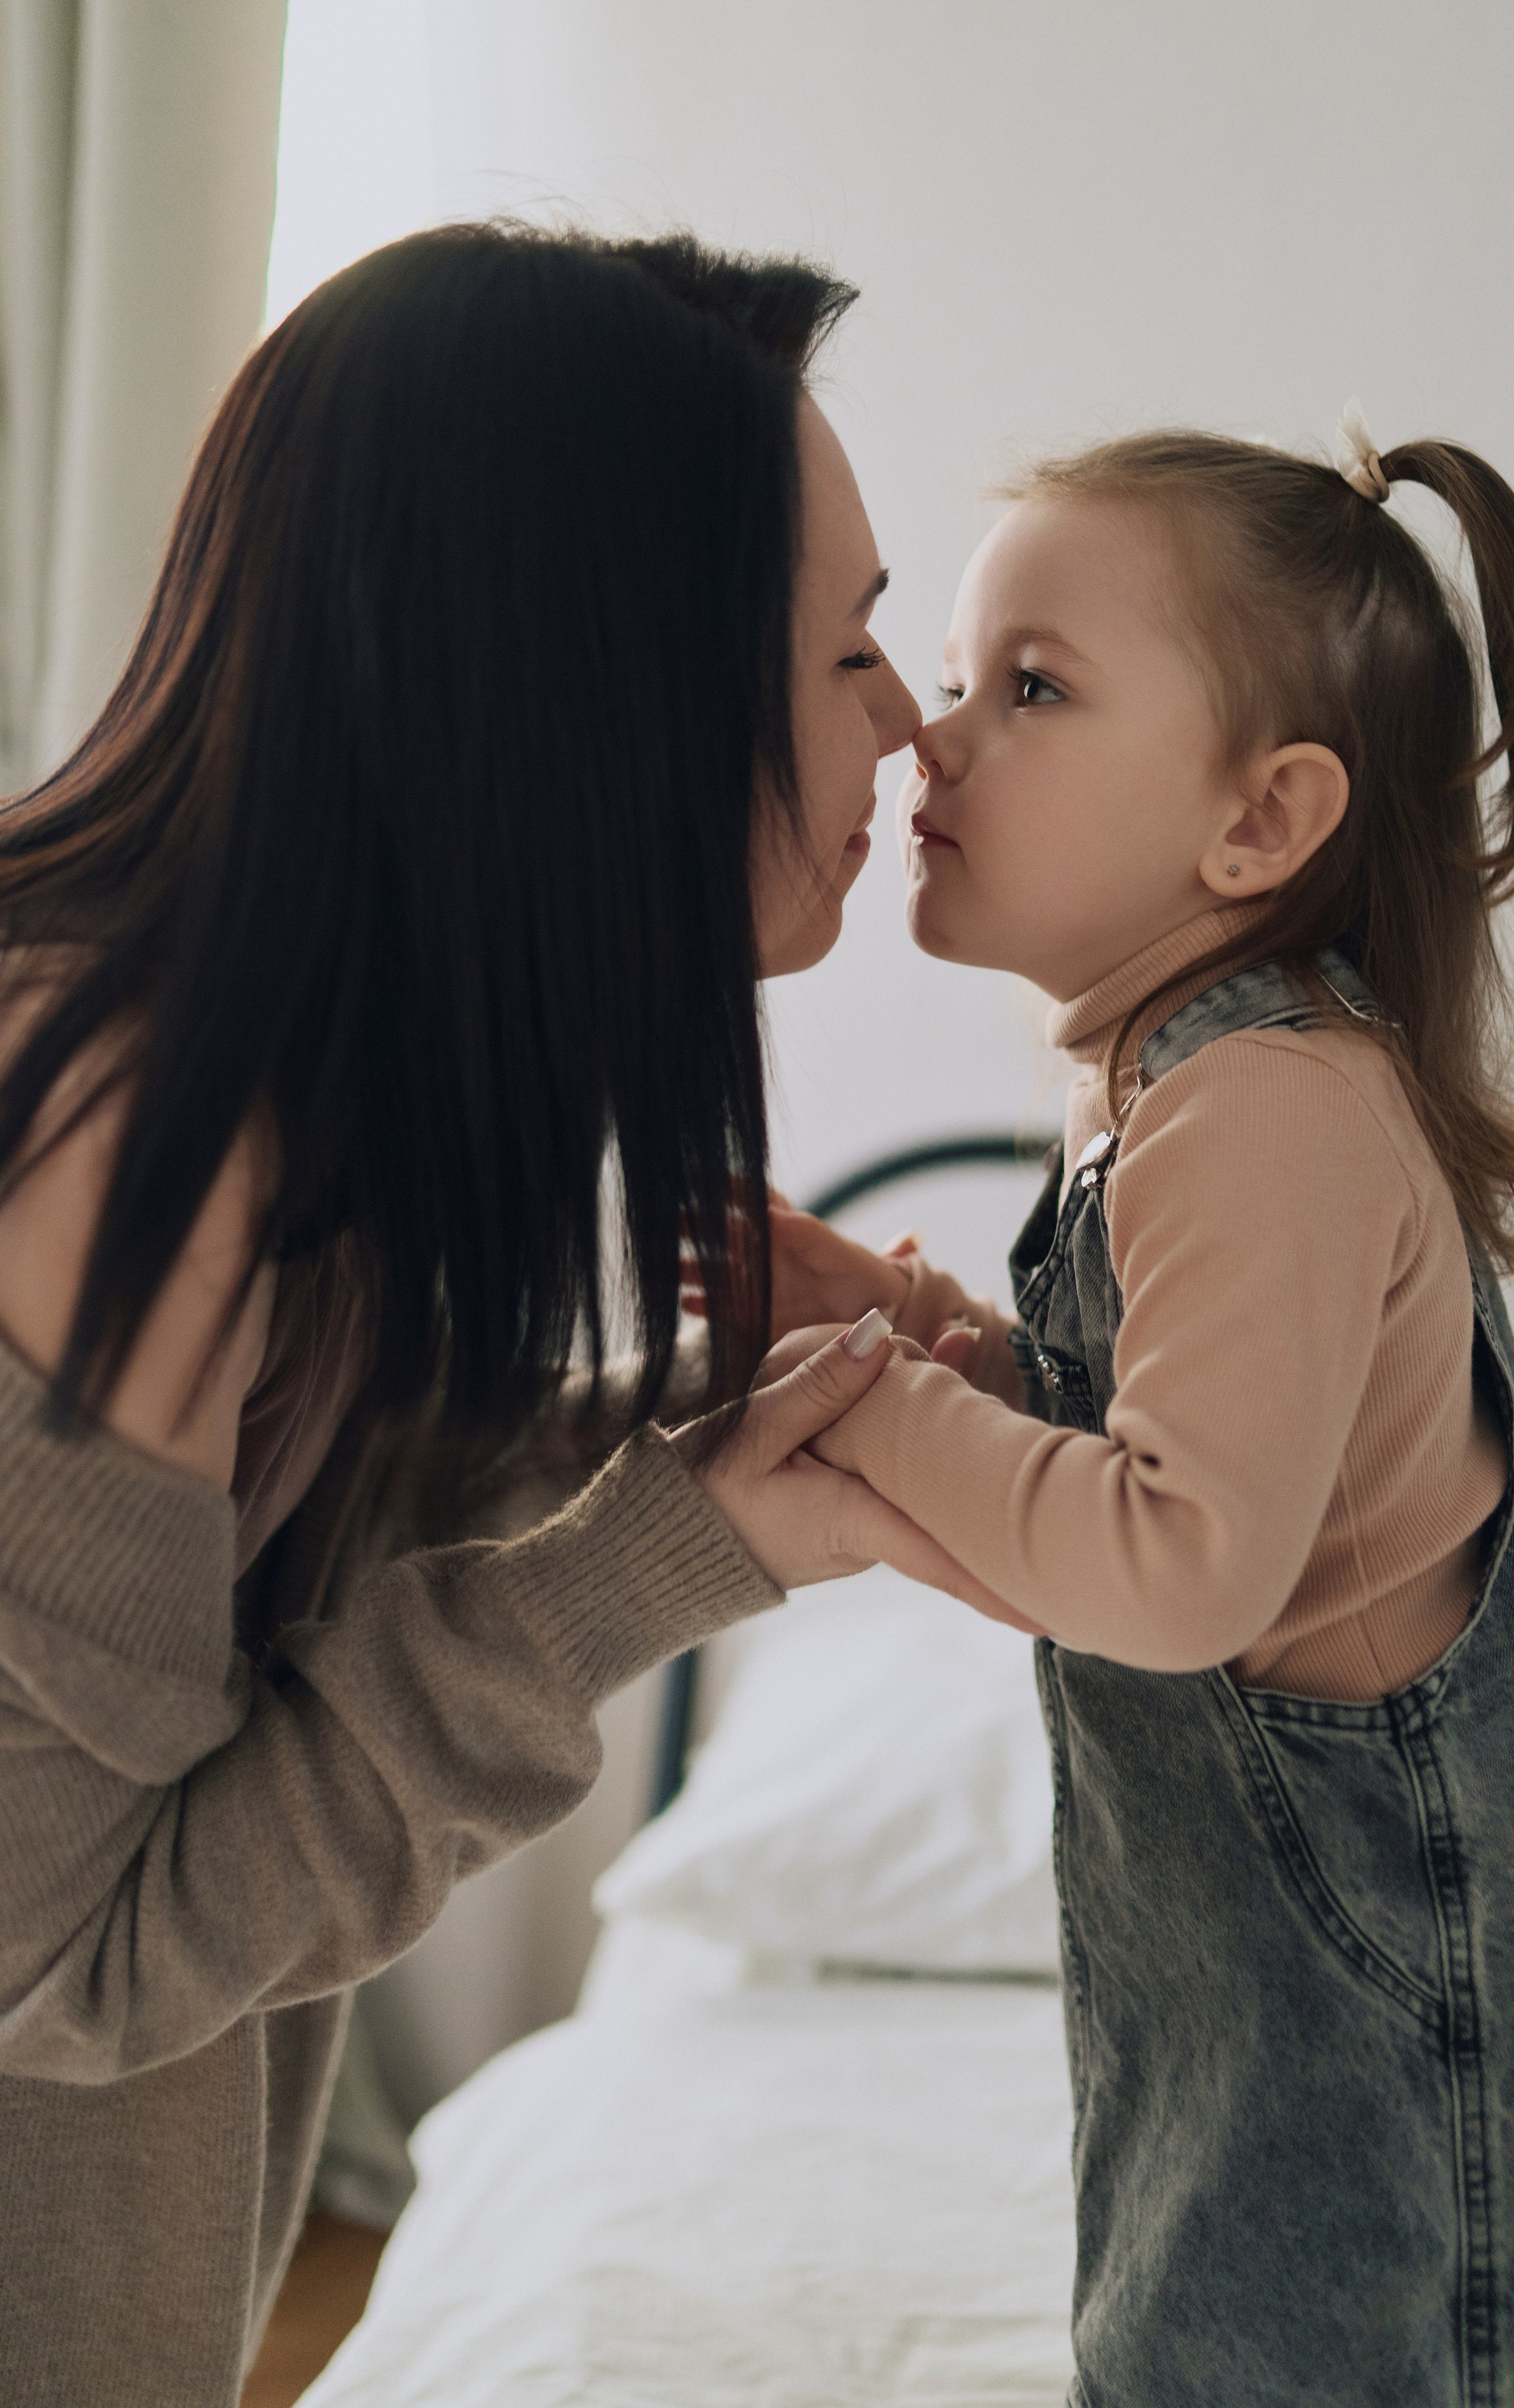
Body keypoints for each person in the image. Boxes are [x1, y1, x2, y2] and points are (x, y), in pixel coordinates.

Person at [0, 223, 1014, 2407]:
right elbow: (70, 1958)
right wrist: (672, 1552)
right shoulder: (115, 1121)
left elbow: (240, 1590)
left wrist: (674, 1419)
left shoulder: (299, 1087)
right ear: (602, 677)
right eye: (847, 647)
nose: (909, 725)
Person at [755, 411, 1514, 2403]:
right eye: (960, 678)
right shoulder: (1165, 1084)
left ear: (1258, 824)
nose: (933, 738)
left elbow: (1175, 1566)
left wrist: (867, 1395)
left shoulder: (1270, 1109)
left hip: (1397, 2014)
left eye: (1029, 690)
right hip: (1254, 1998)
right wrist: (913, 1320)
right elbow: (1134, 1456)